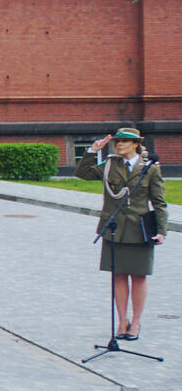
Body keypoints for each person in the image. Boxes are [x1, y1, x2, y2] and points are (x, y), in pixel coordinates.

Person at [75, 127, 166, 341]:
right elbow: (82, 173)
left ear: (136, 144)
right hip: (114, 227)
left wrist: (161, 230)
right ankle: (122, 320)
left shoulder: (150, 168)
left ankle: (135, 321)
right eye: (117, 141)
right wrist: (92, 150)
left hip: (139, 228)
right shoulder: (110, 165)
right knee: (118, 275)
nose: (119, 145)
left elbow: (159, 201)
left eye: (125, 141)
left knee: (139, 275)